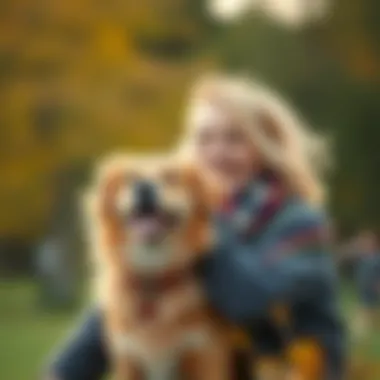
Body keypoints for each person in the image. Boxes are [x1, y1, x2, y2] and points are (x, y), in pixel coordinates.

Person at [45, 74, 344, 380]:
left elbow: (252, 303)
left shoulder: (299, 224)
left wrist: (202, 227)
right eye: (204, 139)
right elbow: (124, 299)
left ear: (266, 148)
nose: (217, 152)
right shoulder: (183, 221)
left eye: (234, 139)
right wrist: (66, 370)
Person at [352, 230, 380, 340]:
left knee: (365, 316)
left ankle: (359, 336)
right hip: (364, 293)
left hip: (373, 293)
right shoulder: (363, 258)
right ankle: (361, 336)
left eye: (366, 242)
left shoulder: (377, 258)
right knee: (366, 315)